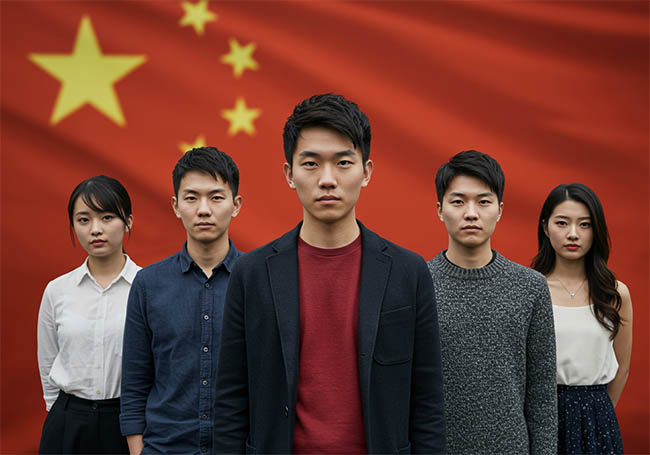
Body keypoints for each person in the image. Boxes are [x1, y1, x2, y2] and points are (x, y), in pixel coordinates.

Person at [213, 93, 446, 453]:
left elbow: (427, 401)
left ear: (366, 172)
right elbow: (231, 398)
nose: (327, 179)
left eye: (343, 163)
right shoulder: (252, 273)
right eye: (310, 164)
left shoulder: (408, 272)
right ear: (289, 174)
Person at [427, 150, 557, 454]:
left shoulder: (530, 287)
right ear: (440, 210)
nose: (471, 213)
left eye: (483, 202)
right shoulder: (417, 284)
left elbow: (542, 395)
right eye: (458, 202)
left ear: (499, 210)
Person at [120, 147, 243, 454]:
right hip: (165, 447)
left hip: (238, 446)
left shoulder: (258, 278)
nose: (204, 210)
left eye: (216, 197)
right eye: (191, 198)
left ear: (236, 205)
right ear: (176, 206)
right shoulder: (148, 283)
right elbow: (135, 381)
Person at [38, 175, 140, 454]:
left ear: (128, 222)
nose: (96, 229)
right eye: (84, 220)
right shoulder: (57, 290)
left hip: (127, 423)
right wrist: (61, 416)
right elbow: (48, 361)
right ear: (73, 225)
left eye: (107, 217)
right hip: (68, 422)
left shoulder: (148, 287)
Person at [531, 183, 632, 455]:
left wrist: (597, 413)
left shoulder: (615, 293)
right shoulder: (530, 290)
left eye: (584, 224)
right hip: (542, 413)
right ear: (545, 227)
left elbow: (622, 366)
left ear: (596, 229)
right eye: (562, 223)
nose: (573, 234)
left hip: (597, 416)